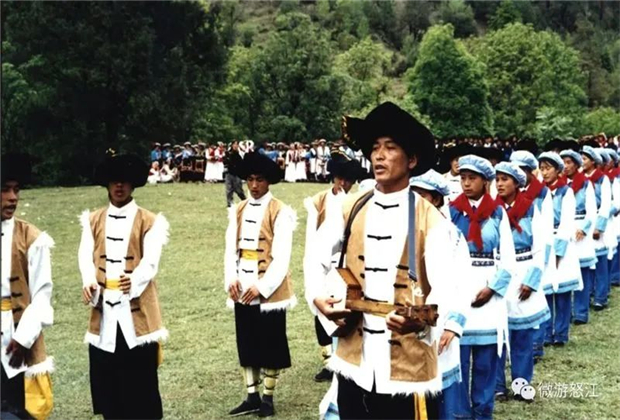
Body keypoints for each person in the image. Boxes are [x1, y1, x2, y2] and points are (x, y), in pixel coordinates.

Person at [308, 102, 462, 419]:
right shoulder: (350, 207)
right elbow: (316, 255)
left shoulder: (431, 219)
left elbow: (445, 286)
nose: (379, 155)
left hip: (407, 364)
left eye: (390, 148)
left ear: (412, 159)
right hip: (355, 360)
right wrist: (317, 297)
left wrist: (421, 320)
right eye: (375, 147)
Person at [79, 152, 170, 420]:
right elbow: (85, 255)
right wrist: (89, 280)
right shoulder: (93, 220)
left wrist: (135, 280)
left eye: (125, 181)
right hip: (104, 312)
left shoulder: (149, 221)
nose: (119, 186)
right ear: (107, 184)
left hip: (136, 314)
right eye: (114, 181)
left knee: (141, 389)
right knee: (109, 390)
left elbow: (150, 262)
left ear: (133, 184)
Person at [224, 151, 297, 418]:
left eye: (260, 180)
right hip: (243, 285)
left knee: (271, 342)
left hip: (269, 288)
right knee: (247, 341)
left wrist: (263, 286)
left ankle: (268, 397)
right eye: (250, 180)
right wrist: (231, 279)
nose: (254, 186)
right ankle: (251, 396)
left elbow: (282, 256)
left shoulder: (281, 211)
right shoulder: (238, 210)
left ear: (268, 181)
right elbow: (229, 249)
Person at [449, 154, 516, 420]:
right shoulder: (451, 211)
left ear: (485, 181)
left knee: (486, 359)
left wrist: (492, 289)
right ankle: (459, 412)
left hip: (489, 288)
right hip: (459, 287)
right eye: (463, 178)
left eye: (472, 178)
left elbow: (508, 257)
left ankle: (483, 410)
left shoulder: (498, 213)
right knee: (457, 357)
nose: (466, 183)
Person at [409, 169, 472, 420]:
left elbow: (458, 283)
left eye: (421, 195)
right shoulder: (405, 229)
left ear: (435, 199)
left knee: (437, 397)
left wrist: (451, 325)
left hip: (437, 321)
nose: (415, 202)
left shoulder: (448, 233)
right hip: (405, 322)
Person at [1, 153, 55, 420]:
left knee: (19, 409)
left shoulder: (32, 238)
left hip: (17, 339)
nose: (13, 198)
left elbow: (42, 296)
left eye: (16, 190)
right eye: (5, 190)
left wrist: (23, 339)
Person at [303, 154, 363, 383]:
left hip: (347, 265)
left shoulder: (356, 201)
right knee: (322, 311)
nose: (343, 184)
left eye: (348, 180)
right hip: (324, 263)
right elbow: (313, 239)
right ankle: (327, 359)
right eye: (340, 178)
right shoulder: (318, 202)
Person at [492, 162, 550, 401]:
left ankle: (521, 384)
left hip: (524, 270)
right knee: (496, 334)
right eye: (497, 179)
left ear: (517, 183)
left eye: (505, 179)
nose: (499, 184)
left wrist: (532, 280)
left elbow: (541, 245)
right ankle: (497, 385)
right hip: (499, 272)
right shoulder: (491, 210)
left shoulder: (530, 208)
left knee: (522, 335)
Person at [536, 152, 581, 350]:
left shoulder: (566, 192)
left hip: (561, 242)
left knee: (562, 292)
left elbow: (566, 222)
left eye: (548, 168)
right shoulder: (540, 192)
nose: (545, 173)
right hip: (544, 241)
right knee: (546, 291)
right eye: (542, 169)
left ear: (557, 170)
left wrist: (558, 252)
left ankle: (561, 332)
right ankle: (546, 332)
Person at [558, 148, 597, 326]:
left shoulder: (586, 184)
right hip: (565, 230)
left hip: (580, 229)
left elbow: (591, 210)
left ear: (576, 165)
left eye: (569, 163)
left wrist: (584, 228)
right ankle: (565, 313)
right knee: (565, 273)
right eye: (563, 163)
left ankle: (581, 311)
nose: (566, 166)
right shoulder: (559, 186)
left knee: (583, 271)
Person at [581, 146, 612, 311]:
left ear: (593, 161)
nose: (582, 162)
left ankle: (601, 296)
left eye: (585, 159)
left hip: (598, 221)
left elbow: (606, 204)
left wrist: (599, 227)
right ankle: (589, 293)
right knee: (588, 262)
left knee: (600, 262)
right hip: (584, 222)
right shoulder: (579, 179)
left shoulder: (602, 179)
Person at [224, 141, 247, 208]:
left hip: (237, 173)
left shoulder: (240, 153)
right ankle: (229, 203)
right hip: (229, 173)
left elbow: (242, 162)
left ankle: (244, 201)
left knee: (239, 190)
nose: (235, 145)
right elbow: (225, 162)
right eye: (234, 144)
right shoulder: (228, 153)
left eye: (236, 144)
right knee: (229, 189)